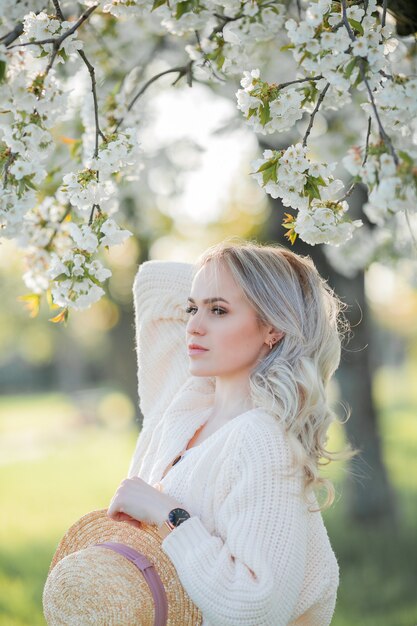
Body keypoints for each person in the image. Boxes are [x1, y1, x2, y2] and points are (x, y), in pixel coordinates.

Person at [107, 239, 354, 625]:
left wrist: (168, 514)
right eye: (192, 308)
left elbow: (256, 606)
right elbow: (154, 286)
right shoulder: (186, 402)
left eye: (218, 310)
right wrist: (222, 269)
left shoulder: (263, 439)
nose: (193, 326)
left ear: (272, 327)